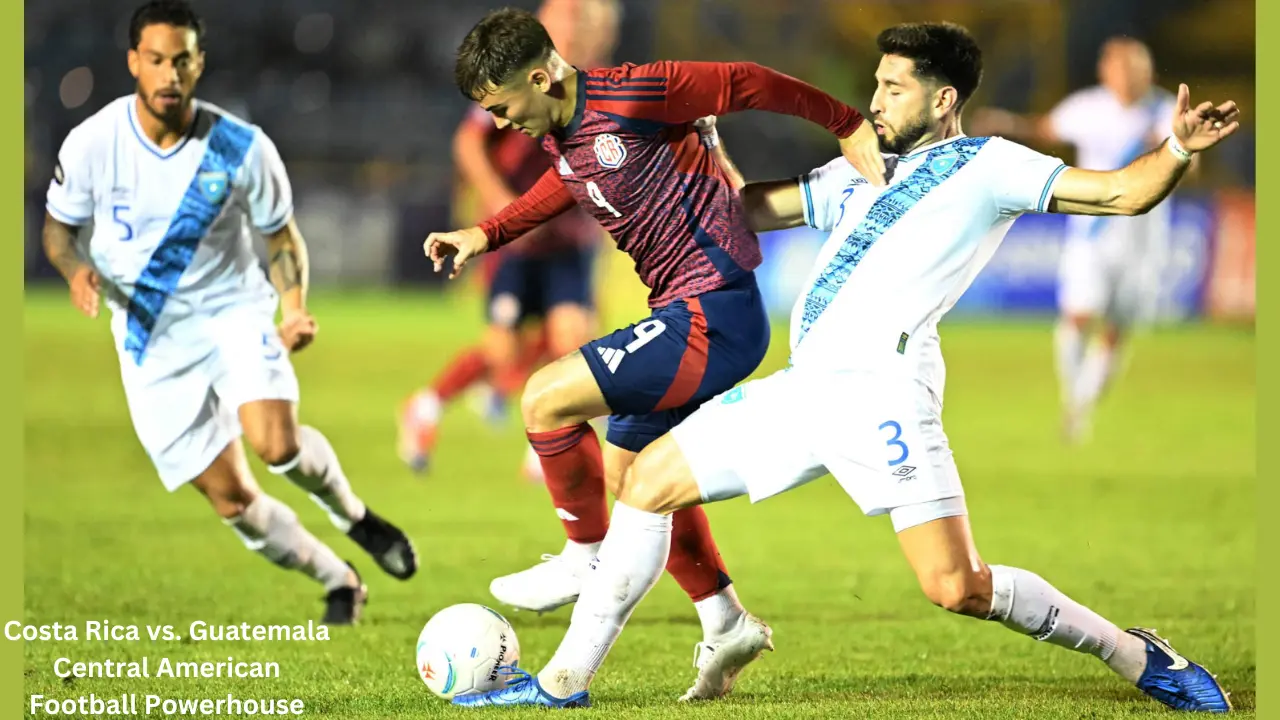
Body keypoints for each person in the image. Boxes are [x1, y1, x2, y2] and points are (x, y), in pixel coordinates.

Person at [452, 22, 1238, 711]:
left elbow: (1120, 195)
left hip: (885, 394)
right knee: (647, 483)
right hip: (805, 388)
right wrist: (703, 150)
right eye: (875, 84)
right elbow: (746, 210)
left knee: (955, 587)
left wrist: (1174, 149)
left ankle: (1134, 653)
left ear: (941, 101)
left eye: (894, 88)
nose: (875, 100)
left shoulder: (990, 164)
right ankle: (562, 685)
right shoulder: (860, 172)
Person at [426, 6, 886, 700]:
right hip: (687, 311)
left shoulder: (635, 93)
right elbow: (569, 184)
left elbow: (746, 79)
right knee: (637, 478)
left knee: (545, 397)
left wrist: (848, 123)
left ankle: (584, 558)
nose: (498, 124)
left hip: (713, 314)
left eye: (501, 106)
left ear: (542, 76)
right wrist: (484, 234)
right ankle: (723, 618)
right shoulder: (566, 130)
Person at [40, 0, 418, 625]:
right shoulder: (92, 144)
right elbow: (57, 231)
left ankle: (356, 516)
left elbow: (280, 236)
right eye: (157, 60)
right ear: (134, 61)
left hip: (232, 313)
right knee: (233, 498)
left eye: (182, 61)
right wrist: (75, 269)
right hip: (148, 337)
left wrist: (292, 308)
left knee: (277, 445)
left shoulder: (241, 148)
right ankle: (338, 578)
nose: (169, 75)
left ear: (199, 64)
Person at [398, 0, 620, 480]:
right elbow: (468, 141)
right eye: (569, 19)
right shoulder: (522, 76)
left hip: (570, 241)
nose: (581, 29)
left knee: (570, 338)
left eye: (589, 22)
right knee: (503, 349)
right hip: (518, 239)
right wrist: (501, 201)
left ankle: (549, 440)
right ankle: (430, 404)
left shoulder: (601, 85)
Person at [970, 38, 1182, 442]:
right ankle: (1075, 404)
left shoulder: (1166, 111)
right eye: (1120, 66)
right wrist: (1004, 124)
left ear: (1147, 71)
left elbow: (1191, 163)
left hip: (1144, 239)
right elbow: (1046, 128)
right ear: (1106, 71)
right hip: (1093, 233)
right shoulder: (1089, 107)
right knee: (1077, 317)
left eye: (1135, 67)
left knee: (1116, 330)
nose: (1128, 75)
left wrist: (1176, 150)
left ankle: (1082, 402)